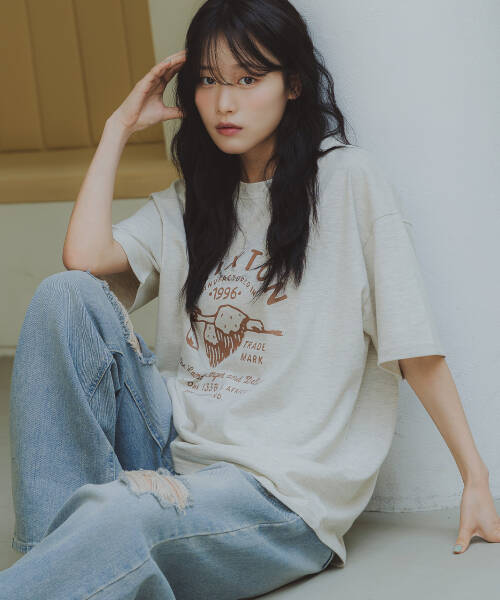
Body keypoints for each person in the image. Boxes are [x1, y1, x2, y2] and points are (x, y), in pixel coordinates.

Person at [3, 0, 497, 598]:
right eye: (208, 80)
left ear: (293, 83)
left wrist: (474, 477)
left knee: (119, 517)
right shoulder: (194, 201)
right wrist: (117, 128)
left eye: (247, 79)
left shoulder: (348, 182)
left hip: (275, 495)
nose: (224, 103)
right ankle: (57, 552)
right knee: (64, 296)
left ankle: (71, 558)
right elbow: (82, 261)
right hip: (173, 453)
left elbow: (414, 346)